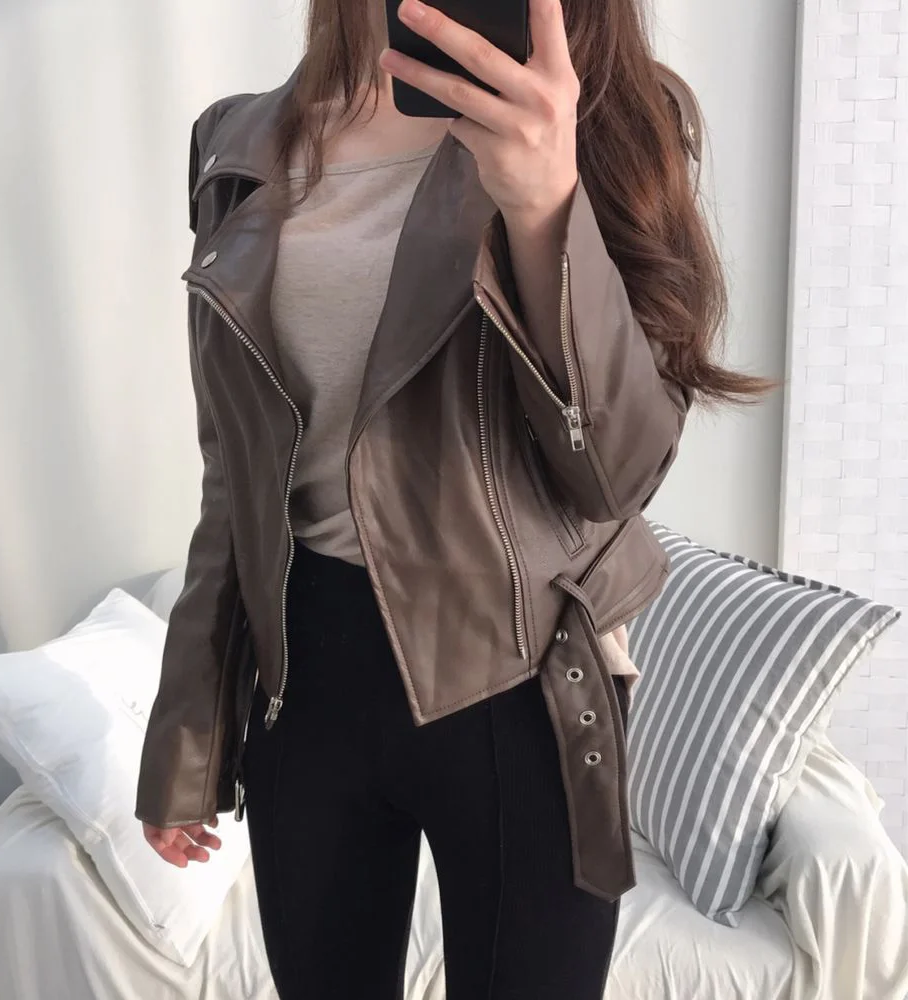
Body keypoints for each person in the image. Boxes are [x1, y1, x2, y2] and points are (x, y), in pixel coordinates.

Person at [136, 0, 770, 996]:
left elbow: (616, 474)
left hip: (519, 684)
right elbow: (235, 472)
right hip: (304, 688)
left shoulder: (603, 116)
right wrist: (188, 738)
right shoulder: (239, 140)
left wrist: (546, 207)